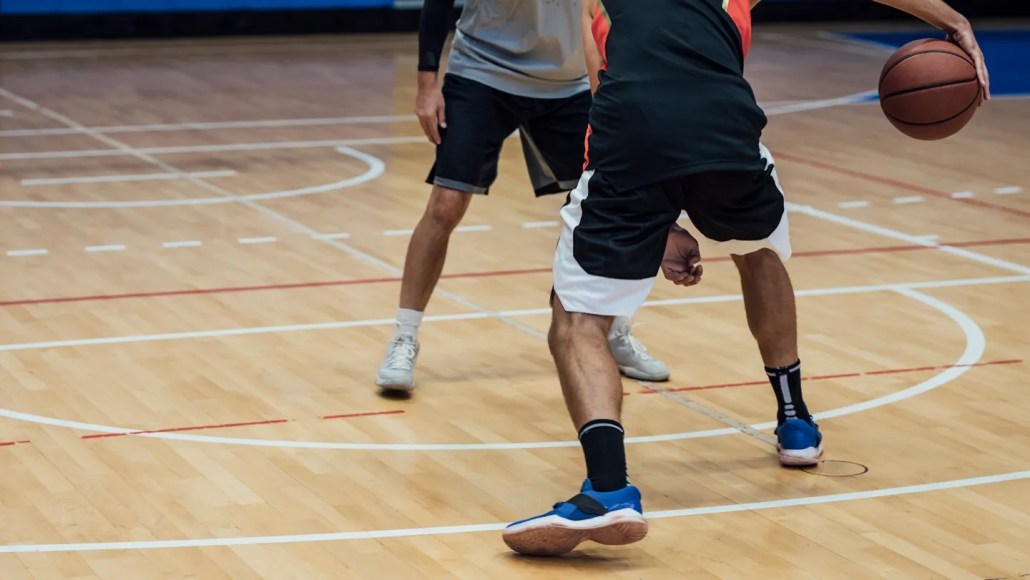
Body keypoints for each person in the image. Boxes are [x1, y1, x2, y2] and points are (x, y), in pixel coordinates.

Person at [502, 0, 989, 556]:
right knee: (759, 252)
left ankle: (608, 490)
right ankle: (795, 421)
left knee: (578, 317)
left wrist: (659, 221)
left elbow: (601, 77)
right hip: (725, 132)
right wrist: (953, 21)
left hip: (632, 134)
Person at [375, 0, 671, 393]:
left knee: (602, 204)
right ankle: (404, 337)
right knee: (445, 205)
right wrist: (427, 85)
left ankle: (613, 331)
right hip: (482, 70)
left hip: (569, 81)